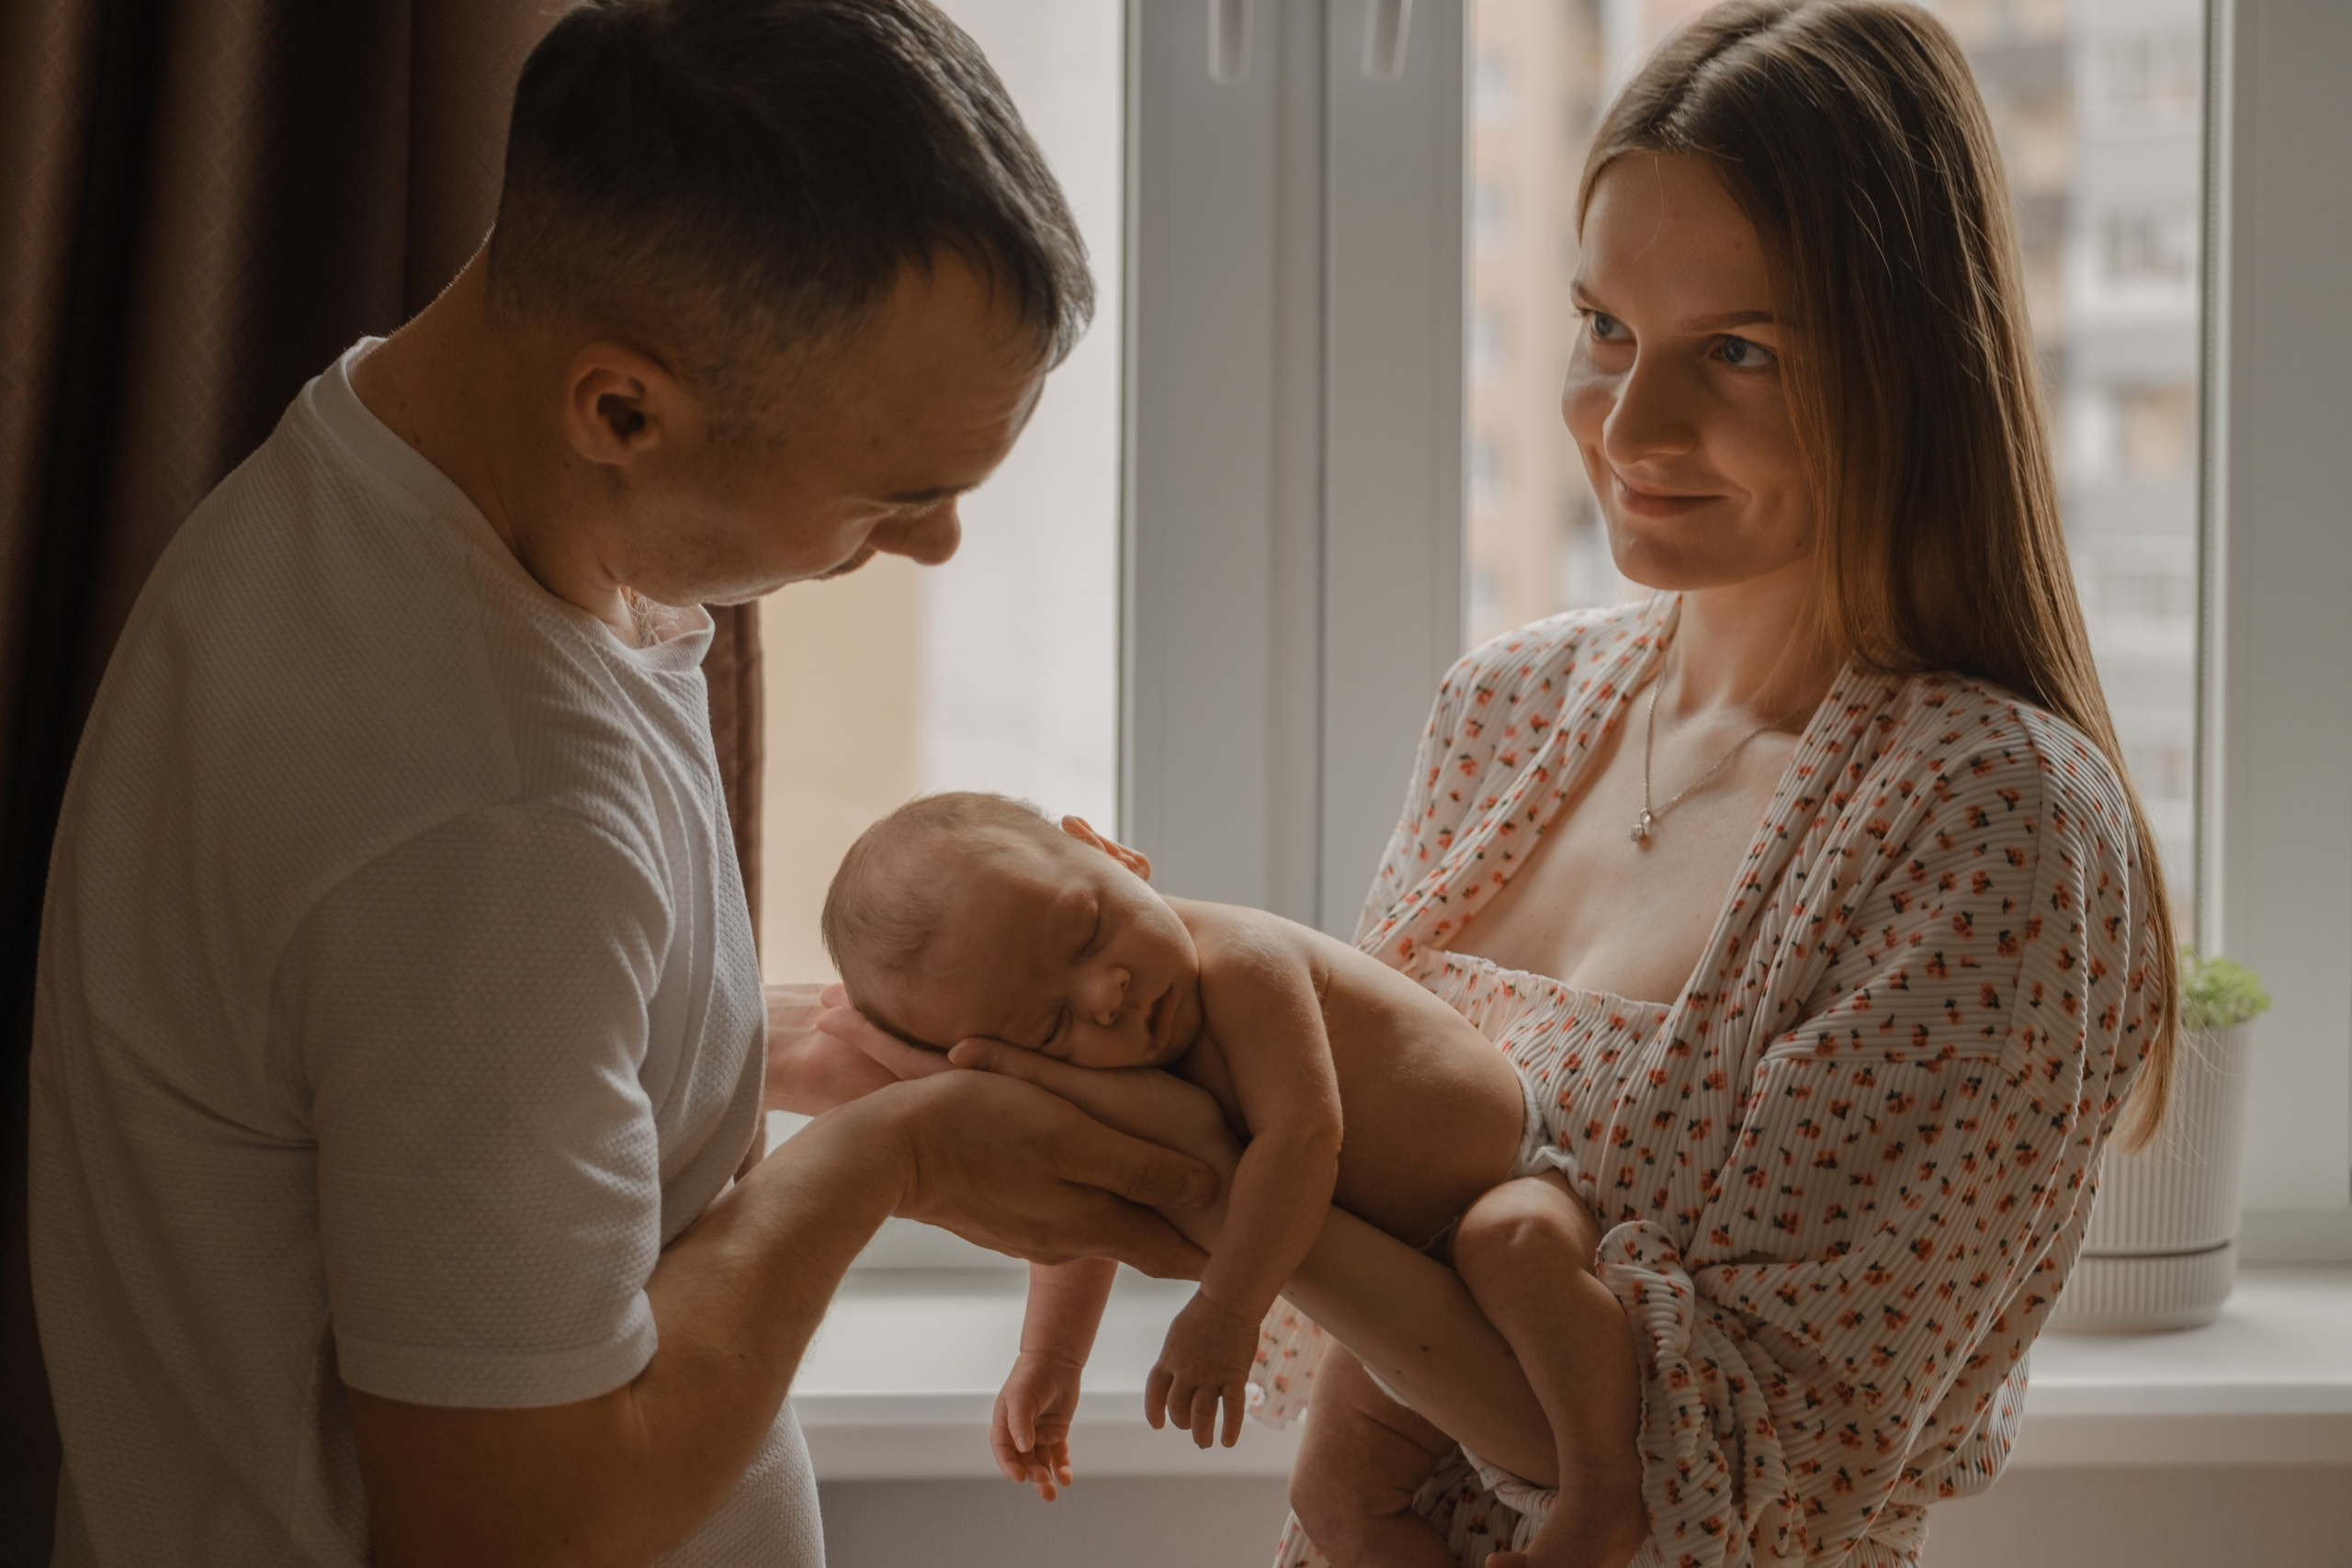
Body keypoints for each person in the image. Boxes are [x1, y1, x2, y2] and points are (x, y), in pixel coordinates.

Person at [806, 4, 2178, 1566]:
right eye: (1604, 328)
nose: (1631, 424)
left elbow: (1739, 1471)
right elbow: (1361, 1314)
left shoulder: (1991, 824)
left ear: (1913, 369)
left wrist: (1212, 1196)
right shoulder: (1511, 710)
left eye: (1739, 351)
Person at [25, 4, 1222, 1565]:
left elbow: (427, 1061)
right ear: (622, 409)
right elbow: (512, 1528)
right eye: (896, 493)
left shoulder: (376, 489)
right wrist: (893, 1159)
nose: (937, 545)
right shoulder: (484, 809)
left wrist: (820, 1053)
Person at [816, 791, 1645, 1555]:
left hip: (1507, 1179)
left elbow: (1305, 1135)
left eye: (1087, 928)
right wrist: (1051, 1356)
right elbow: (1088, 1205)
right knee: (1334, 1500)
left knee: (1515, 1244)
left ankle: (1606, 1489)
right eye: (1049, 1025)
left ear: (1107, 850)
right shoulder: (1123, 1052)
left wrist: (1227, 1308)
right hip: (1404, 1282)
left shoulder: (1243, 960)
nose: (1104, 991)